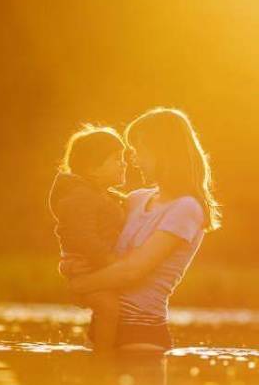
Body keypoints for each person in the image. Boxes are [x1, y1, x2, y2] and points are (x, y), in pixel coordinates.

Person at [69, 107, 221, 351]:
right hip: (100, 327)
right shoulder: (135, 199)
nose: (133, 160)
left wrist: (80, 286)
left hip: (140, 334)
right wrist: (74, 266)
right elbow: (103, 251)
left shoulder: (187, 208)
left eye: (140, 150)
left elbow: (132, 271)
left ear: (163, 153)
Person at [48, 125, 127, 350]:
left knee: (109, 306)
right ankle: (103, 357)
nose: (123, 163)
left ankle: (98, 348)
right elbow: (83, 238)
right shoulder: (80, 197)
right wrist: (110, 261)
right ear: (94, 168)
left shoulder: (102, 195)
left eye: (122, 157)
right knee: (108, 306)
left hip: (95, 265)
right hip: (86, 265)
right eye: (115, 158)